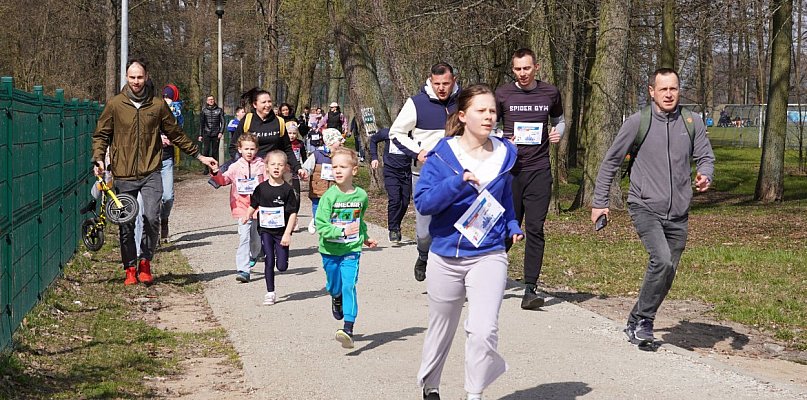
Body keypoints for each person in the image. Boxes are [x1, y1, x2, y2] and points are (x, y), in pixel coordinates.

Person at [591, 68, 714, 346]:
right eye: (663, 89)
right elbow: (610, 162)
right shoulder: (638, 122)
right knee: (661, 259)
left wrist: (705, 174)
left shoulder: (692, 121)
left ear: (679, 90)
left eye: (673, 89)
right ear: (652, 92)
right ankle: (645, 321)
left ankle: (636, 318)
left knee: (668, 271)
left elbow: (706, 156)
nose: (669, 94)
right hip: (644, 205)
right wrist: (600, 203)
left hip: (679, 210)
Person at [415, 84, 523, 400]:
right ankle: (431, 387)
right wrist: (457, 183)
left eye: (492, 111)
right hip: (446, 253)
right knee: (441, 328)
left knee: (484, 329)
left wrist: (513, 224)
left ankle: (473, 394)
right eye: (482, 110)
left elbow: (504, 199)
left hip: (489, 252)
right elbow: (424, 203)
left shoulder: (504, 154)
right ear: (463, 116)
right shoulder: (442, 155)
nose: (489, 116)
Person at [92, 58, 217, 285]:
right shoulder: (115, 104)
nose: (136, 81)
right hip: (124, 173)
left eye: (140, 77)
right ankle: (130, 267)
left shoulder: (158, 106)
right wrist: (98, 158)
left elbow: (176, 134)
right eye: (132, 77)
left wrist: (200, 156)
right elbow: (101, 134)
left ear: (146, 77)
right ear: (126, 78)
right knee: (126, 222)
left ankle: (145, 263)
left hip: (151, 171)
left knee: (151, 217)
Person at [494, 47, 565, 310]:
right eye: (517, 69)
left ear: (536, 67)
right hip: (510, 172)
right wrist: (501, 138)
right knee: (504, 228)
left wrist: (558, 132)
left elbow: (559, 120)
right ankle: (484, 274)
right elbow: (491, 124)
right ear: (512, 70)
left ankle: (530, 289)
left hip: (539, 171)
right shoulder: (503, 93)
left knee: (535, 228)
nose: (522, 73)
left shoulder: (550, 92)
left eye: (527, 68)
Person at [388, 62, 460, 282]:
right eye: (436, 83)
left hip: (458, 175)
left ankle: (452, 272)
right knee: (425, 230)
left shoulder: (464, 101)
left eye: (445, 84)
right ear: (430, 81)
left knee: (457, 224)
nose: (441, 88)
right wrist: (418, 152)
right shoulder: (416, 103)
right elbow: (396, 132)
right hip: (426, 174)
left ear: (453, 81)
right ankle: (423, 254)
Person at [314, 147, 377, 349]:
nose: (338, 171)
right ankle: (336, 296)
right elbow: (321, 225)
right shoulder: (329, 197)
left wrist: (365, 238)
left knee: (349, 285)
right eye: (334, 167)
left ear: (355, 170)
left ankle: (348, 327)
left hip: (351, 249)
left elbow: (360, 220)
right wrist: (340, 232)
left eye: (343, 166)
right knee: (335, 286)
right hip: (330, 251)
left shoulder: (361, 196)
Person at [241, 150, 299, 305]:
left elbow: (293, 213)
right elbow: (254, 204)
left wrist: (288, 233)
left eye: (280, 165)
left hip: (281, 232)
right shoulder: (261, 188)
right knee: (268, 260)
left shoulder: (287, 190)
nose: (276, 167)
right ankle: (270, 292)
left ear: (285, 168)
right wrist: (247, 215)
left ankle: (283, 260)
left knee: (281, 266)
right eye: (272, 164)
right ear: (266, 167)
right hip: (265, 230)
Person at [210, 133, 265, 283]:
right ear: (240, 149)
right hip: (241, 206)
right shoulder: (235, 166)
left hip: (257, 207)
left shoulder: (262, 165)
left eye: (252, 149)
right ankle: (243, 270)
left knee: (255, 240)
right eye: (246, 149)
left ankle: (254, 255)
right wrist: (216, 172)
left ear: (257, 150)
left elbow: (268, 182)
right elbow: (224, 180)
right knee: (244, 238)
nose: (249, 152)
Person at [228, 88, 307, 179]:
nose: (268, 105)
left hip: (273, 172)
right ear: (255, 104)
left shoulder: (279, 122)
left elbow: (287, 149)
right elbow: (233, 147)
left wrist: (298, 168)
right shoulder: (247, 120)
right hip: (252, 173)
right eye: (264, 102)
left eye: (269, 101)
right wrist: (243, 164)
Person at [369, 127, 413, 242]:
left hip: (406, 172)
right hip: (391, 171)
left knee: (405, 202)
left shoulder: (414, 134)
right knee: (395, 199)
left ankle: (396, 225)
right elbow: (373, 140)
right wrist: (374, 157)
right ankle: (393, 229)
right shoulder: (388, 132)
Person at [302, 128, 344, 233]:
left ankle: (330, 225)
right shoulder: (317, 154)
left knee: (333, 208)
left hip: (334, 189)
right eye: (339, 140)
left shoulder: (341, 156)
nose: (342, 142)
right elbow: (307, 166)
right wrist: (305, 172)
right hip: (318, 188)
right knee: (317, 205)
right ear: (331, 142)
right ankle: (316, 221)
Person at [199, 95, 225, 174]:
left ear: (214, 100)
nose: (211, 101)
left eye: (212, 99)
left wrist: (221, 132)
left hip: (216, 134)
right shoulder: (204, 111)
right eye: (209, 100)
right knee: (206, 151)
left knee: (215, 152)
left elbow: (223, 122)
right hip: (206, 133)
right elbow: (201, 124)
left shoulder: (219, 110)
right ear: (207, 101)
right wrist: (200, 135)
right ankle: (206, 169)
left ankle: (214, 169)